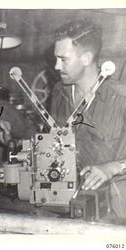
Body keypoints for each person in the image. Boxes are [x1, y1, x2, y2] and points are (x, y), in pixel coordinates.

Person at [51, 19, 126, 217]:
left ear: (86, 57)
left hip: (117, 211)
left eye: (63, 59)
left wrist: (113, 167)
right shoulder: (58, 93)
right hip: (69, 205)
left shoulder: (121, 98)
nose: (56, 66)